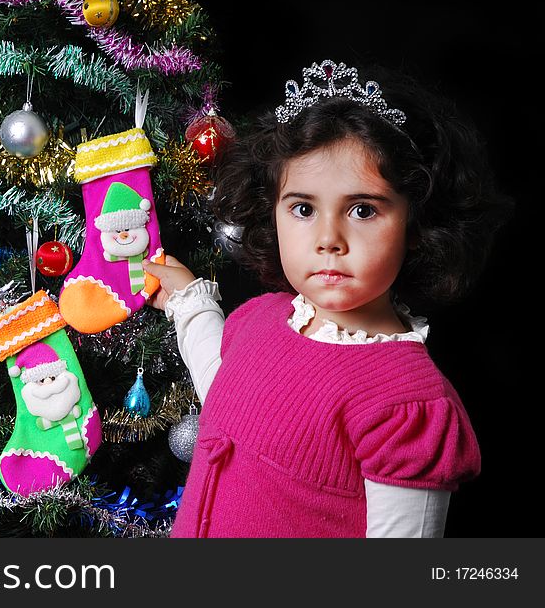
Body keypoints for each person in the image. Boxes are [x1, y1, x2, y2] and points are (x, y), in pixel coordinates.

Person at [143, 60, 513, 537]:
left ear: (417, 223)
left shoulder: (405, 404)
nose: (328, 239)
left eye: (362, 210)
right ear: (270, 210)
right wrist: (190, 301)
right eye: (302, 208)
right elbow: (228, 398)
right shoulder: (262, 316)